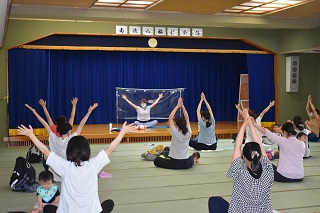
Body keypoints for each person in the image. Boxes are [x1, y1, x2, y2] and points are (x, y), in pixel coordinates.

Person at [17, 122, 136, 213]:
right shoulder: (93, 165)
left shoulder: (64, 166)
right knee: (109, 203)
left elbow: (44, 150)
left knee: (48, 208)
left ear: (70, 151)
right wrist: (123, 132)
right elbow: (111, 148)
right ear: (87, 150)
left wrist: (31, 135)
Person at [208, 109, 274, 213]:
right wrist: (252, 125)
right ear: (260, 155)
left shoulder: (239, 171)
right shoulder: (268, 170)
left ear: (243, 157)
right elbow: (259, 145)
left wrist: (244, 124)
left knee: (214, 201)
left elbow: (237, 147)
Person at [25, 103, 98, 182]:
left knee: (46, 161)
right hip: (68, 175)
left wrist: (35, 112)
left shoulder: (54, 138)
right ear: (69, 131)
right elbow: (81, 124)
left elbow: (45, 123)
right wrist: (89, 111)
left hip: (54, 176)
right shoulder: (71, 139)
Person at [153, 97, 199, 169]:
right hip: (186, 164)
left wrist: (178, 106)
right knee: (190, 159)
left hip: (174, 163)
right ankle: (194, 159)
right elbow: (187, 118)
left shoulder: (175, 132)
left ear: (177, 125)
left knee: (157, 161)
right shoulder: (189, 132)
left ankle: (193, 159)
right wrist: (182, 106)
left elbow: (170, 118)